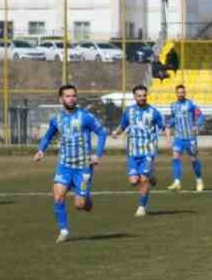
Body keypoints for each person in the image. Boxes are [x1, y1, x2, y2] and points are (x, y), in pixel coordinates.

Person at [33, 84, 108, 243]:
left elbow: (102, 132)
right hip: (64, 165)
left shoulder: (85, 116)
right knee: (58, 196)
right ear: (61, 99)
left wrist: (97, 154)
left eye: (73, 95)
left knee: (80, 205)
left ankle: (86, 199)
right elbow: (48, 136)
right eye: (67, 96)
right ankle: (64, 230)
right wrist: (41, 150)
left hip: (83, 166)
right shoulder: (56, 119)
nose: (71, 98)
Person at [110, 84, 165, 218]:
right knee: (134, 181)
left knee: (143, 179)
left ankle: (142, 207)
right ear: (134, 97)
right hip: (133, 152)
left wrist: (168, 133)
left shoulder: (153, 112)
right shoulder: (129, 111)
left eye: (144, 95)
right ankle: (151, 174)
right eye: (139, 96)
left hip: (148, 150)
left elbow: (163, 126)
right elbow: (123, 125)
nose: (142, 98)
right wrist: (116, 132)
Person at [166, 84, 205, 192]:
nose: (181, 94)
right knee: (175, 157)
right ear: (176, 93)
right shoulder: (173, 105)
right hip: (178, 137)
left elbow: (201, 115)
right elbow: (174, 118)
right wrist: (169, 125)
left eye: (183, 92)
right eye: (179, 92)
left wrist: (197, 125)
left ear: (185, 93)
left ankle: (199, 180)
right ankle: (177, 181)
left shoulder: (191, 104)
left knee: (193, 159)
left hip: (190, 138)